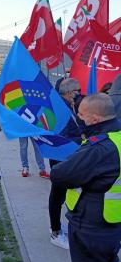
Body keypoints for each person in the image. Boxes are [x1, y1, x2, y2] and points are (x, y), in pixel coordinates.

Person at [51, 94, 121, 262]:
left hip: (91, 226)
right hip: (111, 224)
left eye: (81, 114)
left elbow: (60, 174)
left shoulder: (100, 148)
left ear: (95, 119)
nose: (78, 117)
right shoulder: (116, 138)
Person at [49, 78, 83, 250]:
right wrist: (81, 138)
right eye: (77, 91)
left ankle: (58, 228)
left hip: (68, 158)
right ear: (70, 93)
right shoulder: (60, 108)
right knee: (57, 196)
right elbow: (61, 138)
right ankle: (55, 232)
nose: (79, 94)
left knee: (61, 195)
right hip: (61, 159)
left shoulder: (68, 105)